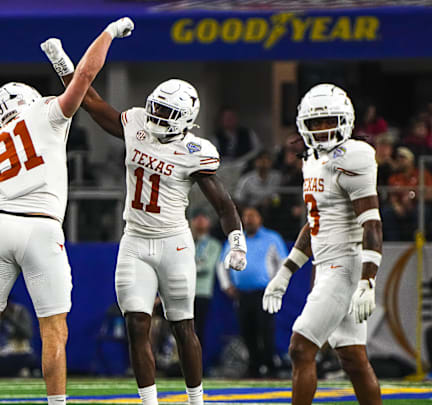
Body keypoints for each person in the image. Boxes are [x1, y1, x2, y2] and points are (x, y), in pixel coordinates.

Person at [0, 18, 134, 405]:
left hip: (4, 226)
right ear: (29, 99)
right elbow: (87, 77)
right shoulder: (45, 116)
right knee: (54, 329)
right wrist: (107, 34)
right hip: (42, 228)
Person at [42, 39, 247, 405]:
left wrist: (236, 239)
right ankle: (148, 402)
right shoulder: (136, 124)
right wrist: (62, 62)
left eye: (165, 113)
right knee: (137, 324)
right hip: (135, 241)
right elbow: (89, 101)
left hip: (175, 243)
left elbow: (223, 201)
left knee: (183, 326)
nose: (155, 118)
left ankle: (196, 400)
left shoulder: (194, 152)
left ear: (185, 119)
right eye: (155, 108)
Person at [262, 84, 383, 405]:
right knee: (354, 360)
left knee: (300, 347)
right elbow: (316, 224)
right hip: (327, 264)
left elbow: (371, 223)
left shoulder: (354, 156)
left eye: (328, 121)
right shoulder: (311, 161)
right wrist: (285, 273)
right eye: (315, 123)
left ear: (345, 121)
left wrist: (367, 280)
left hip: (346, 266)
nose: (322, 129)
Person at [218, 206, 287, 378]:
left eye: (252, 216)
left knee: (266, 330)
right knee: (247, 330)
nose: (248, 219)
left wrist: (277, 285)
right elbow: (221, 264)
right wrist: (227, 285)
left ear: (260, 219)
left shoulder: (272, 238)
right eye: (245, 216)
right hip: (242, 294)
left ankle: (270, 366)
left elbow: (283, 262)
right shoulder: (236, 240)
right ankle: (254, 366)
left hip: (264, 293)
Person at [189, 210, 221, 347]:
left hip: (201, 292)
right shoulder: (188, 242)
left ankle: (197, 366)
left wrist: (186, 267)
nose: (199, 221)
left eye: (203, 218)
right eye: (196, 218)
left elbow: (206, 267)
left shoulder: (214, 244)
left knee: (198, 330)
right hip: (184, 292)